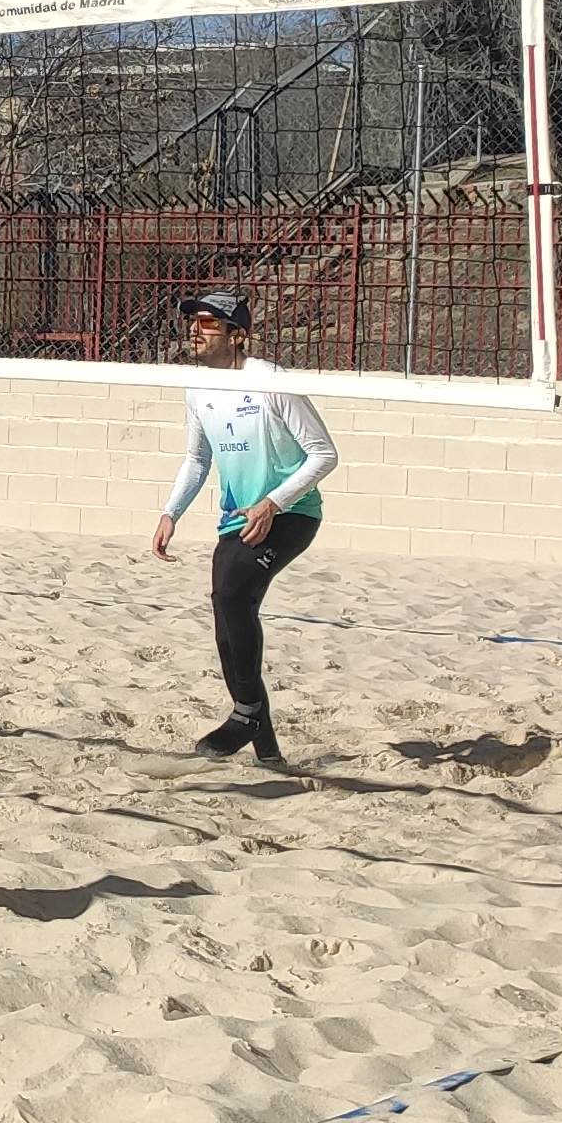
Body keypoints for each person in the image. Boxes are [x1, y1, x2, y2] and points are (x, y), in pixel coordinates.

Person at [148, 287, 339, 766]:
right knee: (226, 615)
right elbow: (197, 458)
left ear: (237, 335)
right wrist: (171, 512)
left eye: (209, 322)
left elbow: (324, 454)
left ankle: (247, 712)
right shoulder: (198, 388)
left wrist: (273, 503)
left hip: (291, 513)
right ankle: (269, 754)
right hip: (237, 517)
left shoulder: (271, 382)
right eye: (193, 321)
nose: (195, 330)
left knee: (234, 595)